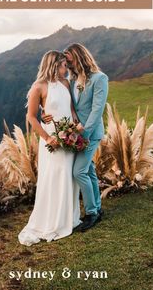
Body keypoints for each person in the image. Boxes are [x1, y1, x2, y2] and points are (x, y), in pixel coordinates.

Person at [18, 50, 82, 246]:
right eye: (63, 65)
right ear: (54, 65)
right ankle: (52, 221)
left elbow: (70, 108)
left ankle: (69, 219)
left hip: (68, 135)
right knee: (54, 177)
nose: (66, 69)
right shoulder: (38, 87)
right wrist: (47, 138)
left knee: (69, 176)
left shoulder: (65, 83)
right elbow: (31, 117)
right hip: (51, 138)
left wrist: (75, 127)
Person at [43, 44, 109, 232]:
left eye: (69, 60)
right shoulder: (71, 80)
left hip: (90, 133)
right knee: (89, 171)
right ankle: (97, 208)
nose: (68, 64)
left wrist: (82, 134)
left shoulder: (100, 78)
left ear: (79, 57)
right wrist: (44, 114)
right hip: (74, 133)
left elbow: (97, 110)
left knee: (79, 172)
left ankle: (91, 214)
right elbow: (65, 103)